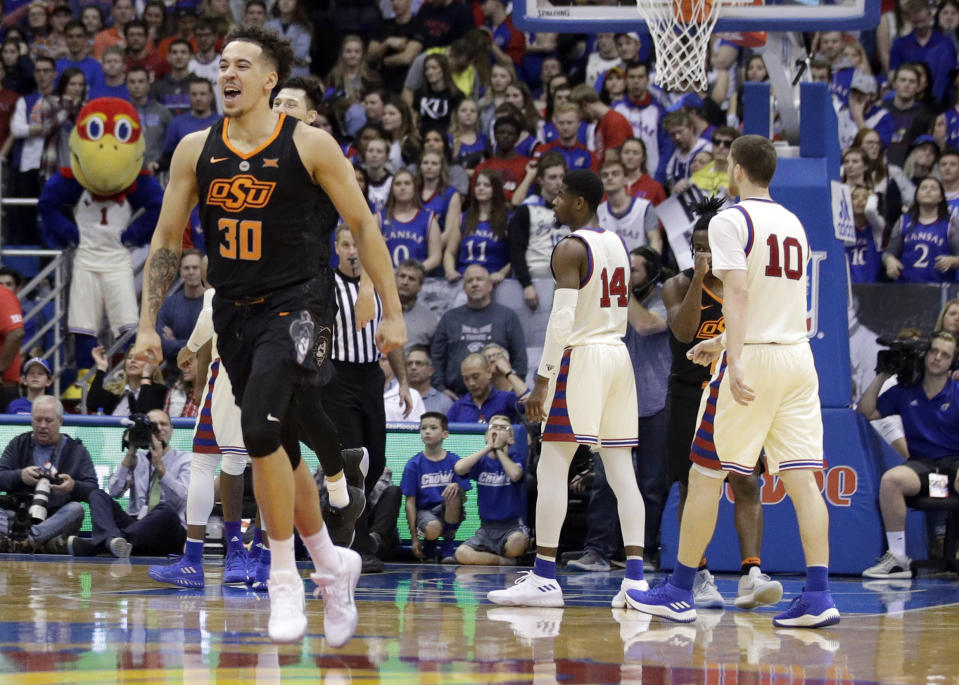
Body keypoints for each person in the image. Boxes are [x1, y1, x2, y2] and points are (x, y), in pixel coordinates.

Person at [131, 25, 406, 644]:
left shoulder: (310, 146)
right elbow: (168, 242)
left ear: (269, 80)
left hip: (301, 303)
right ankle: (333, 566)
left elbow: (362, 225)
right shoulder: (193, 150)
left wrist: (390, 308)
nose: (227, 73)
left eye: (241, 65)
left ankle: (286, 579)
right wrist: (148, 323)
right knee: (274, 447)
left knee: (257, 429)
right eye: (221, 63)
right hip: (235, 310)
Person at [625, 135, 839, 628]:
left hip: (755, 361)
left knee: (704, 474)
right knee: (804, 481)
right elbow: (776, 304)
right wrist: (721, 343)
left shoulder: (730, 220)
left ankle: (680, 589)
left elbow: (739, 294)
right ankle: (819, 595)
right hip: (798, 358)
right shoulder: (793, 223)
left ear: (737, 168)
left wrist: (734, 358)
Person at [487, 169, 648, 609]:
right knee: (621, 472)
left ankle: (543, 577)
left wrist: (541, 381)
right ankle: (635, 579)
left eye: (560, 196)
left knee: (554, 465)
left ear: (579, 202)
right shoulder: (616, 242)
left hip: (584, 357)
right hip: (618, 355)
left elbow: (561, 322)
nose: (553, 202)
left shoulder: (570, 247)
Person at [660, 196, 783, 610]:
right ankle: (699, 575)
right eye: (697, 247)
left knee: (746, 480)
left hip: (735, 390)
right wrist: (698, 277)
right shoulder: (676, 283)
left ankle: (751, 573)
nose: (703, 254)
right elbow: (684, 332)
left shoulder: (744, 285)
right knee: (693, 486)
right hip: (688, 394)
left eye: (710, 247)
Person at [149, 288, 254, 588]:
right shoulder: (278, 275)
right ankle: (255, 556)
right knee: (253, 464)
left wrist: (188, 348)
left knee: (206, 463)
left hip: (230, 374)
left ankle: (195, 560)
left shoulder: (222, 283)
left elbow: (209, 317)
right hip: (267, 372)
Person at [858, 331, 959, 579]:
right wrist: (882, 375)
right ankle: (898, 558)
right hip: (923, 467)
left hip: (955, 464)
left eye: (945, 355)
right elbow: (866, 411)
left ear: (952, 362)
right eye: (934, 351)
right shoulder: (906, 391)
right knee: (892, 480)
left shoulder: (956, 392)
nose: (937, 358)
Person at [70, 409, 192, 558]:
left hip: (167, 532)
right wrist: (130, 452)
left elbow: (182, 499)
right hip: (136, 525)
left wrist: (160, 467)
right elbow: (114, 491)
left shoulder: (186, 459)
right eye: (153, 425)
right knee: (97, 495)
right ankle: (115, 542)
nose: (159, 429)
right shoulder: (136, 458)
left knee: (166, 510)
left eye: (164, 424)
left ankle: (105, 544)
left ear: (172, 429)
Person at [0, 396, 98, 553]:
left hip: (55, 518)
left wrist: (73, 486)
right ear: (31, 420)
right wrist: (20, 476)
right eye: (38, 420)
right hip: (19, 516)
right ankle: (41, 543)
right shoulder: (18, 444)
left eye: (49, 420)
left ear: (61, 421)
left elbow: (93, 489)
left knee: (76, 509)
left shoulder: (76, 450)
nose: (42, 426)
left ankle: (25, 542)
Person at [431, 264, 527, 398]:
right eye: (469, 281)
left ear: (490, 285)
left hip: (499, 397)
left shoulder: (507, 316)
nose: (474, 284)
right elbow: (437, 357)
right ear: (464, 288)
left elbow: (520, 358)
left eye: (479, 279)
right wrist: (441, 389)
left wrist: (511, 389)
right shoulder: (449, 318)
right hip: (457, 397)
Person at [453, 416, 528, 565]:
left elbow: (515, 475)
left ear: (511, 439)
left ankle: (494, 557)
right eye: (493, 427)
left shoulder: (516, 458)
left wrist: (498, 450)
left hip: (511, 526)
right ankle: (505, 562)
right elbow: (459, 468)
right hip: (486, 529)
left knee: (517, 542)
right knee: (461, 553)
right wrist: (489, 448)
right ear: (486, 436)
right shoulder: (482, 462)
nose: (497, 431)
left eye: (503, 428)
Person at [401, 411, 471, 561]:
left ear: (445, 434)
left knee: (453, 490)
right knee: (432, 527)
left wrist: (457, 488)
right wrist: (414, 539)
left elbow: (464, 497)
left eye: (433, 428)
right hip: (425, 512)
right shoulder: (413, 464)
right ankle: (429, 546)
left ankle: (447, 547)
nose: (427, 431)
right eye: (423, 428)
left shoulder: (455, 460)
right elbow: (410, 503)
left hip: (450, 509)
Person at [882, 177, 959, 283]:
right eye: (923, 188)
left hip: (940, 288)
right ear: (916, 196)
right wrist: (889, 261)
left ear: (941, 197)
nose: (928, 190)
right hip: (907, 287)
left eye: (933, 188)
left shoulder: (951, 224)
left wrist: (953, 261)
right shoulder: (903, 221)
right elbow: (888, 254)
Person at [156, 249, 207, 370]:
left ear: (204, 270)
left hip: (208, 377)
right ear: (180, 272)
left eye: (195, 268)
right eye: (186, 268)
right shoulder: (168, 305)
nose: (191, 272)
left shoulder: (215, 303)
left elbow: (214, 345)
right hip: (175, 378)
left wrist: (175, 342)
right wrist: (197, 344)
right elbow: (162, 346)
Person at [85, 346, 166, 416]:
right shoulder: (117, 391)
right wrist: (101, 368)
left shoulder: (159, 391)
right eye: (129, 357)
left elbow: (143, 413)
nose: (133, 361)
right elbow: (92, 404)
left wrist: (146, 376)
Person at [447, 352, 522, 423]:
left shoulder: (506, 399)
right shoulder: (458, 407)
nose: (471, 383)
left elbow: (529, 402)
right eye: (466, 379)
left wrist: (508, 372)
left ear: (489, 372)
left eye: (476, 377)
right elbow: (445, 433)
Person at [396, 259, 438, 351]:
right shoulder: (377, 311)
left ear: (420, 286)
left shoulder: (430, 320)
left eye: (411, 279)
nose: (405, 282)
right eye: (402, 276)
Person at [406, 345, 453, 414]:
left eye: (419, 363)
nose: (413, 367)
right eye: (409, 364)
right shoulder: (396, 400)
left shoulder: (444, 402)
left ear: (431, 371)